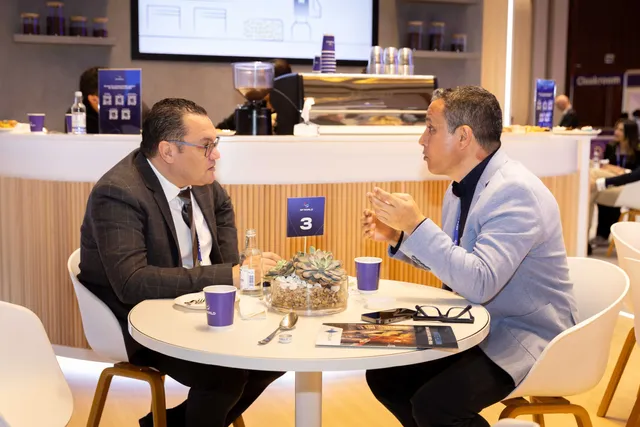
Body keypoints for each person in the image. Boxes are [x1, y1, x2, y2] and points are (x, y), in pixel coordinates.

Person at [361, 86, 578, 427]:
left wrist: (416, 226)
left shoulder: (515, 192)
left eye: (431, 128)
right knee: (386, 376)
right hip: (477, 322)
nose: (421, 140)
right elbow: (456, 266)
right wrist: (398, 236)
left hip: (523, 334)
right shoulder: (459, 188)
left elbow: (479, 283)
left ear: (463, 137)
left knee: (436, 406)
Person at [78, 98, 284, 427]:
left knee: (274, 353)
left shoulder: (204, 185)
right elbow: (132, 283)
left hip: (200, 310)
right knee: (224, 375)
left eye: (216, 143)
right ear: (168, 151)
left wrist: (244, 269)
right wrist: (229, 275)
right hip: (138, 320)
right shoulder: (118, 193)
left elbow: (224, 238)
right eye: (206, 146)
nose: (216, 155)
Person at [590, 119, 640, 247]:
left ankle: (587, 236)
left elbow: (633, 175)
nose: (616, 132)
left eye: (621, 130)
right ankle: (599, 234)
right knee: (595, 187)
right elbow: (606, 166)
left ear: (630, 133)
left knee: (595, 185)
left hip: (630, 188)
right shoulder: (611, 147)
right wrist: (616, 171)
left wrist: (620, 172)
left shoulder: (638, 151)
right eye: (616, 128)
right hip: (614, 182)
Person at [66, 66, 150, 133]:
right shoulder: (77, 116)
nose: (119, 98)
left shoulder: (133, 109)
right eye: (112, 93)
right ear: (94, 99)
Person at [216, 59, 292, 130]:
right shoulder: (253, 107)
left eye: (262, 81)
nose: (258, 86)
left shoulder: (291, 112)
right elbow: (219, 129)